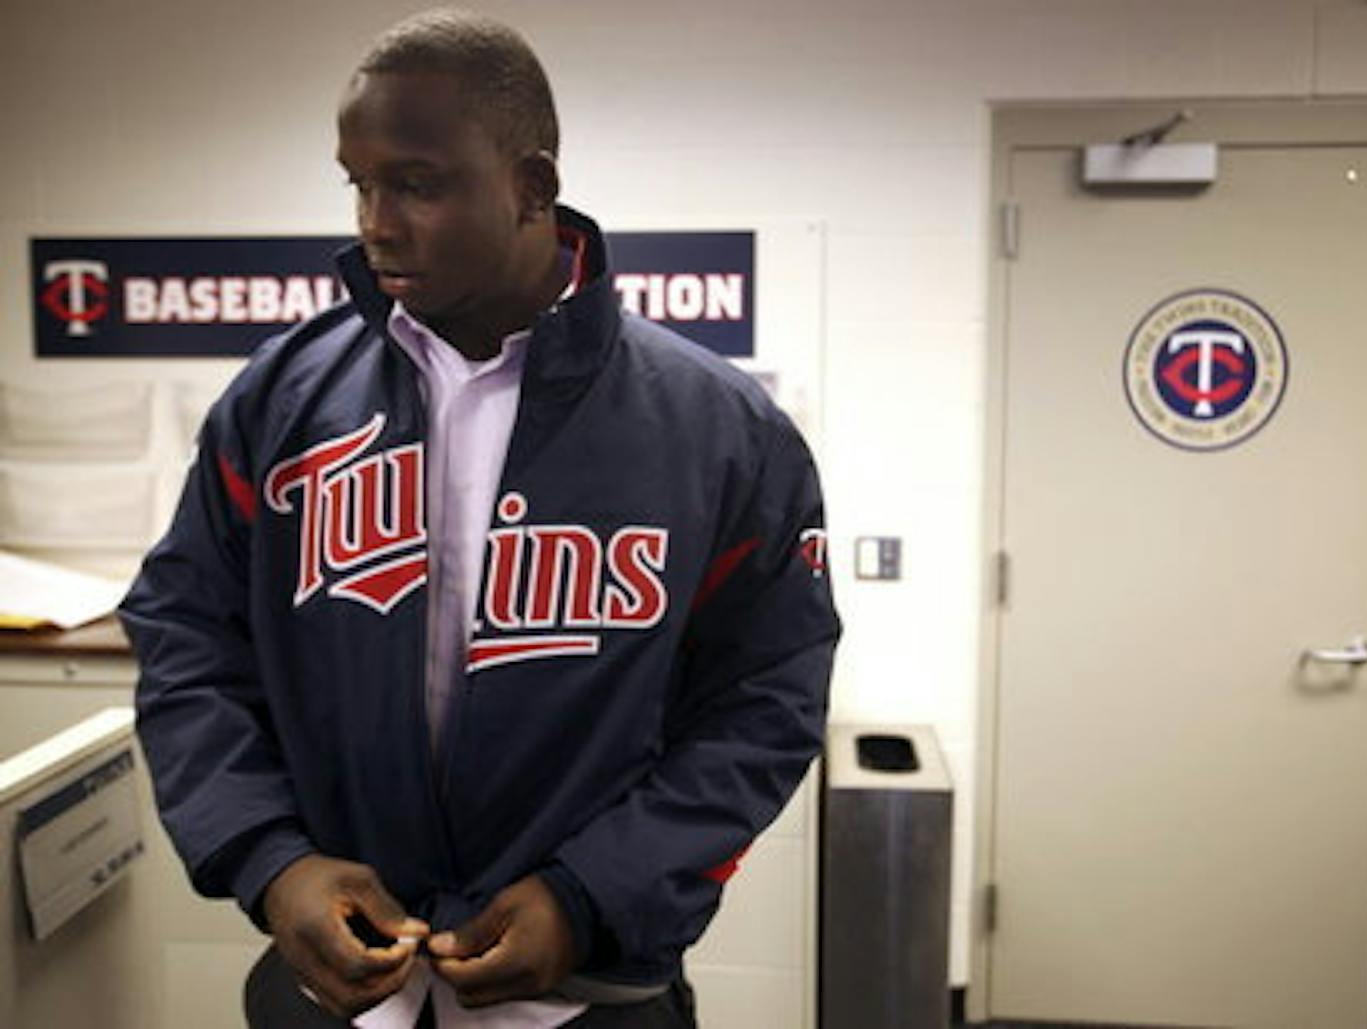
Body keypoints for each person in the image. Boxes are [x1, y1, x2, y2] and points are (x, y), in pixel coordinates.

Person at [119, 9, 839, 1028]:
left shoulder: (720, 430)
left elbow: (764, 699)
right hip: (333, 993)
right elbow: (186, 636)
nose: (375, 219)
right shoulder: (281, 402)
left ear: (531, 188)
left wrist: (593, 893)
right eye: (358, 182)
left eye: (416, 182)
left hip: (591, 993)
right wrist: (271, 861)